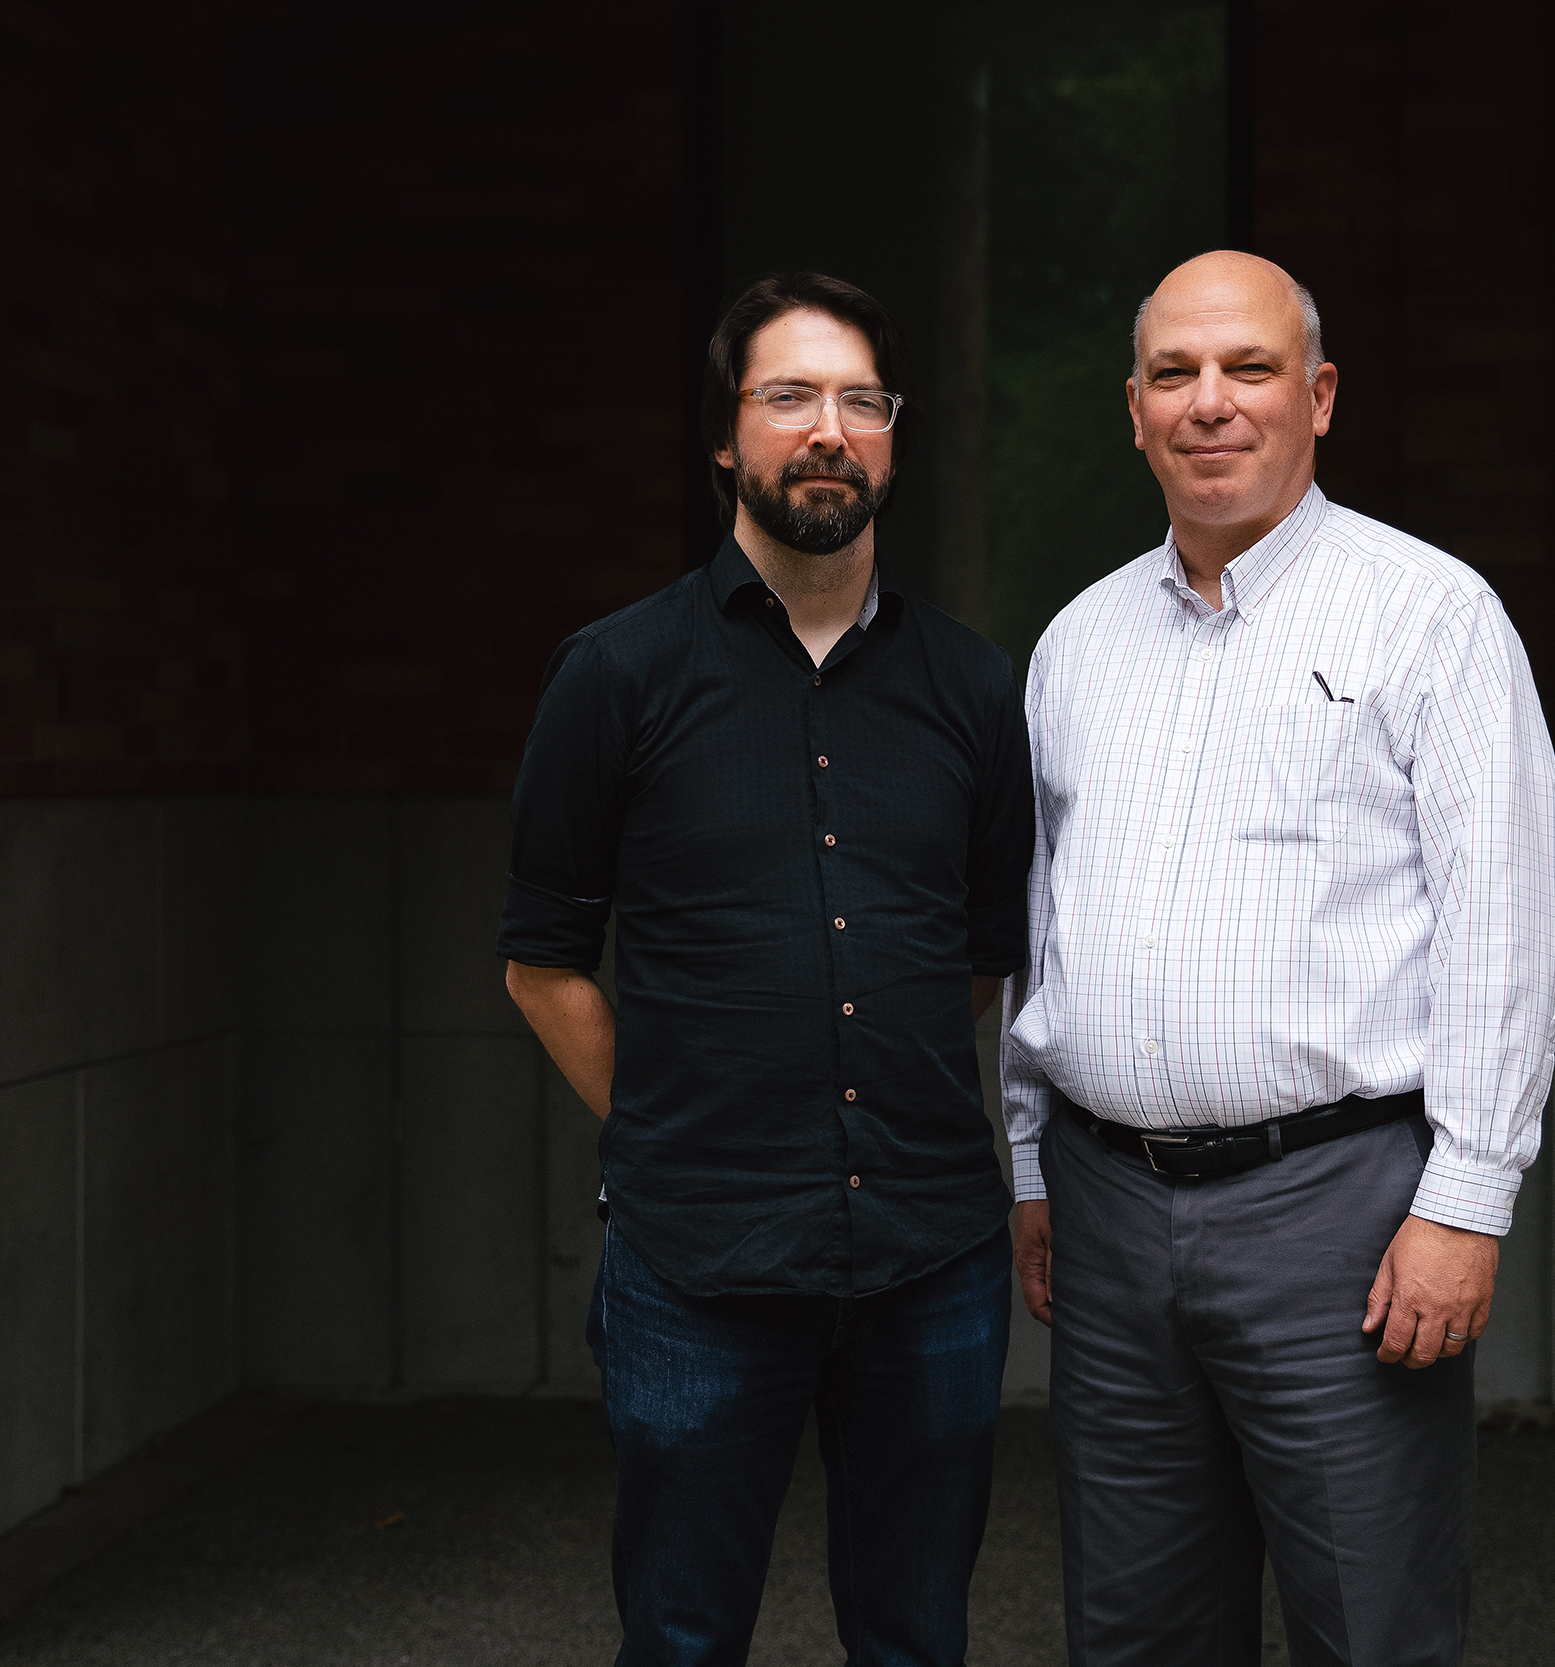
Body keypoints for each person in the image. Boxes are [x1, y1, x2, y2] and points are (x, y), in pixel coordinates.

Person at [1002, 250, 1555, 1667]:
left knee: (1367, 1627)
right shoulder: (1076, 644)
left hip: (1344, 1217)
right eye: (1175, 375)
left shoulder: (1429, 615)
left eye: (1248, 370)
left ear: (1318, 397)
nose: (1212, 405)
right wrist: (1026, 1163)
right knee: (1135, 1633)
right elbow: (1039, 928)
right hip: (1106, 1209)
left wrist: (1469, 1198)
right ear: (1131, 410)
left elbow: (1508, 919)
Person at [498, 272, 1033, 1667]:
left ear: (895, 442)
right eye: (789, 396)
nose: (828, 431)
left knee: (915, 1635)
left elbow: (978, 955)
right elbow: (542, 966)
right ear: (725, 438)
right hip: (695, 1258)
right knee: (680, 1636)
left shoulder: (975, 691)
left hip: (931, 1255)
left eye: (863, 401)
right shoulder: (616, 677)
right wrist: (679, 1123)